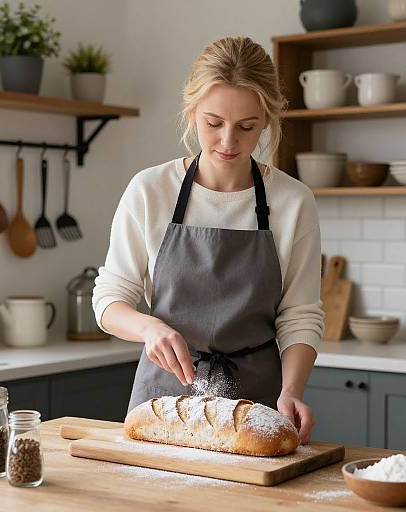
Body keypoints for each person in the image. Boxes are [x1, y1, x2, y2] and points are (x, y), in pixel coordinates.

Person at [92, 36, 324, 444]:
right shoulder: (150, 190)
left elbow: (300, 315)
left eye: (247, 127)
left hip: (256, 411)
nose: (228, 142)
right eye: (213, 123)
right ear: (192, 112)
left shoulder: (293, 202)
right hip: (164, 403)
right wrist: (149, 328)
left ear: (267, 120)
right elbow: (109, 298)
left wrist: (292, 391)